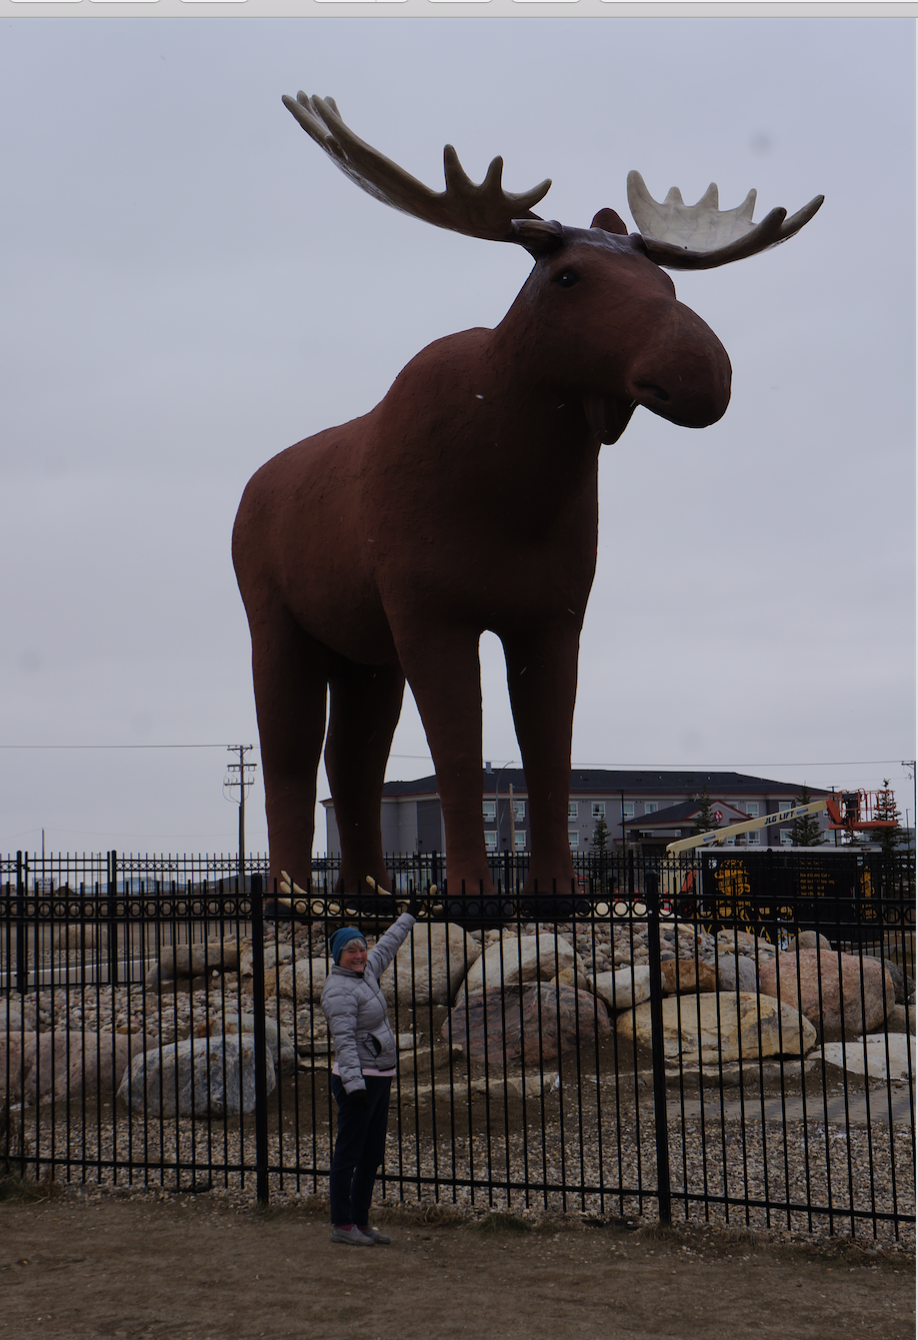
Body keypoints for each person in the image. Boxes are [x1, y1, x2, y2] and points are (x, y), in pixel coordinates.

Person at [321, 904, 418, 1246]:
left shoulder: (365, 972)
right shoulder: (338, 989)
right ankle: (342, 1223)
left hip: (378, 1075)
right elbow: (344, 1042)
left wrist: (409, 915)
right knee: (349, 1154)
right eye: (351, 951)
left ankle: (360, 1221)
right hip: (358, 1081)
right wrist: (355, 1086)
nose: (360, 955)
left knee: (371, 1154)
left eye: (361, 948)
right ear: (339, 956)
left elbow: (388, 944)